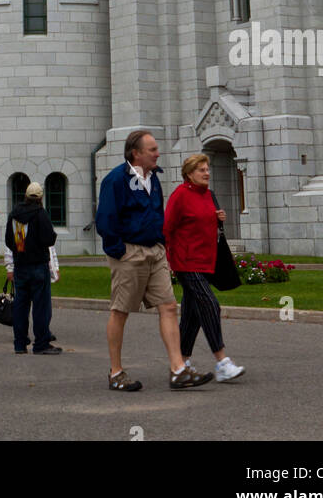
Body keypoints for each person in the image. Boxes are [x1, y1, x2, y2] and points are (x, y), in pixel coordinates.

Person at [96, 130, 212, 391]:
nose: (158, 153)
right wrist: (119, 251)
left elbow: (157, 212)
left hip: (155, 251)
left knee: (169, 306)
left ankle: (178, 369)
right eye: (152, 150)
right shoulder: (115, 180)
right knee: (121, 311)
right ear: (136, 153)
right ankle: (116, 372)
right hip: (129, 253)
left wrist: (162, 244)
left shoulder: (154, 179)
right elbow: (105, 218)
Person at [164, 154, 245, 383]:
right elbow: (167, 228)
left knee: (192, 315)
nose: (207, 173)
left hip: (206, 261)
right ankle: (222, 362)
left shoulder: (209, 195)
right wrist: (167, 258)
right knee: (210, 305)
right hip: (186, 262)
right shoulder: (180, 195)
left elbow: (204, 222)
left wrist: (218, 218)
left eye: (207, 169)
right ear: (189, 174)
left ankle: (182, 362)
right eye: (201, 170)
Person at [4, 181, 62, 355]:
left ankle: (19, 344)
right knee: (40, 307)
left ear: (26, 196)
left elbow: (9, 240)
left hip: (21, 265)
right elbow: (48, 239)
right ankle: (41, 343)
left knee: (21, 307)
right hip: (38, 265)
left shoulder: (15, 215)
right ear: (40, 198)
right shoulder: (40, 213)